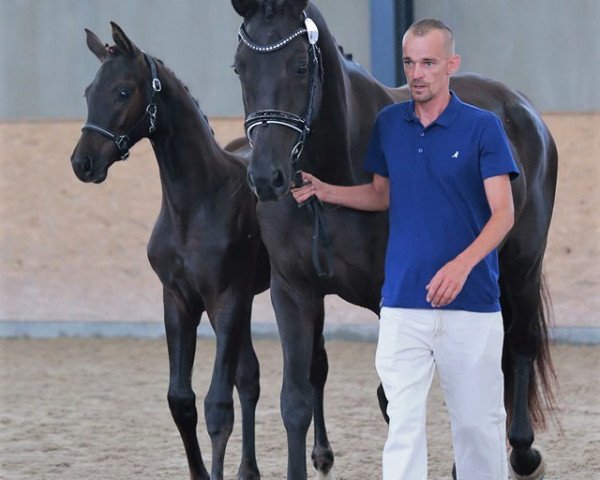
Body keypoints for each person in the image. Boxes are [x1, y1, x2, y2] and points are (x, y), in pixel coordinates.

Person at [292, 18, 518, 480]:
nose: (417, 73)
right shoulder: (390, 124)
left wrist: (460, 266)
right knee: (403, 428)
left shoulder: (483, 128)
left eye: (429, 62)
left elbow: (504, 215)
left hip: (471, 305)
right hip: (401, 306)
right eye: (410, 62)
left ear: (451, 64)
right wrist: (327, 190)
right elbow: (382, 193)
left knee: (478, 428)